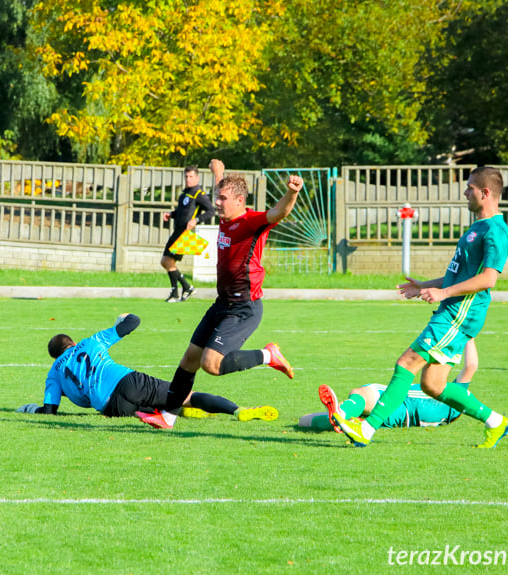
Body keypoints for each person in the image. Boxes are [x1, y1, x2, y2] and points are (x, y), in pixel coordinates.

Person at [332, 166, 508, 448]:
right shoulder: (478, 227)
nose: (465, 192)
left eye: (470, 188)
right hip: (452, 310)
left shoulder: (495, 231)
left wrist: (444, 293)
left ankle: (366, 429)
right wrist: (424, 285)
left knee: (406, 364)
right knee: (433, 385)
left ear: (485, 193)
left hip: (458, 314)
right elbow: (460, 275)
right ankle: (495, 421)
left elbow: (489, 278)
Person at [137, 159, 303, 430]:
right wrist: (219, 174)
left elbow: (279, 212)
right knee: (189, 359)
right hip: (222, 303)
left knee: (211, 365)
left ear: (239, 200)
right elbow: (221, 191)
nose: (217, 203)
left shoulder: (251, 222)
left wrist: (292, 193)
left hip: (244, 307)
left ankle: (268, 356)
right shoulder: (226, 216)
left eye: (222, 199)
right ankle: (168, 417)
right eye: (217, 198)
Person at [17, 313, 278, 423]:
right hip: (127, 381)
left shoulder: (54, 373)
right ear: (73, 343)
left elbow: (50, 410)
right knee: (185, 394)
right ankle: (238, 411)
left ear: (55, 356)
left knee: (155, 405)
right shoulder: (90, 342)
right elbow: (133, 322)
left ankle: (180, 412)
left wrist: (30, 409)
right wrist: (121, 318)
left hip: (110, 409)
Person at [301, 340, 479, 432]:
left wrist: (468, 335)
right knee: (305, 420)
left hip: (396, 402)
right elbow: (471, 367)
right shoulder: (449, 414)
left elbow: (471, 366)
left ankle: (341, 414)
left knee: (360, 393)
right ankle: (342, 417)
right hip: (397, 420)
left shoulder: (453, 394)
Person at [161, 166, 215, 302]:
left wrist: (196, 220)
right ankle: (184, 288)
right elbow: (182, 212)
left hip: (185, 233)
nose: (188, 179)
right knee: (165, 261)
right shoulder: (185, 192)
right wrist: (171, 214)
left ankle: (178, 292)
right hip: (177, 231)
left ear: (197, 178)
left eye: (191, 176)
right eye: (186, 176)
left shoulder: (199, 194)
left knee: (167, 261)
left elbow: (211, 211)